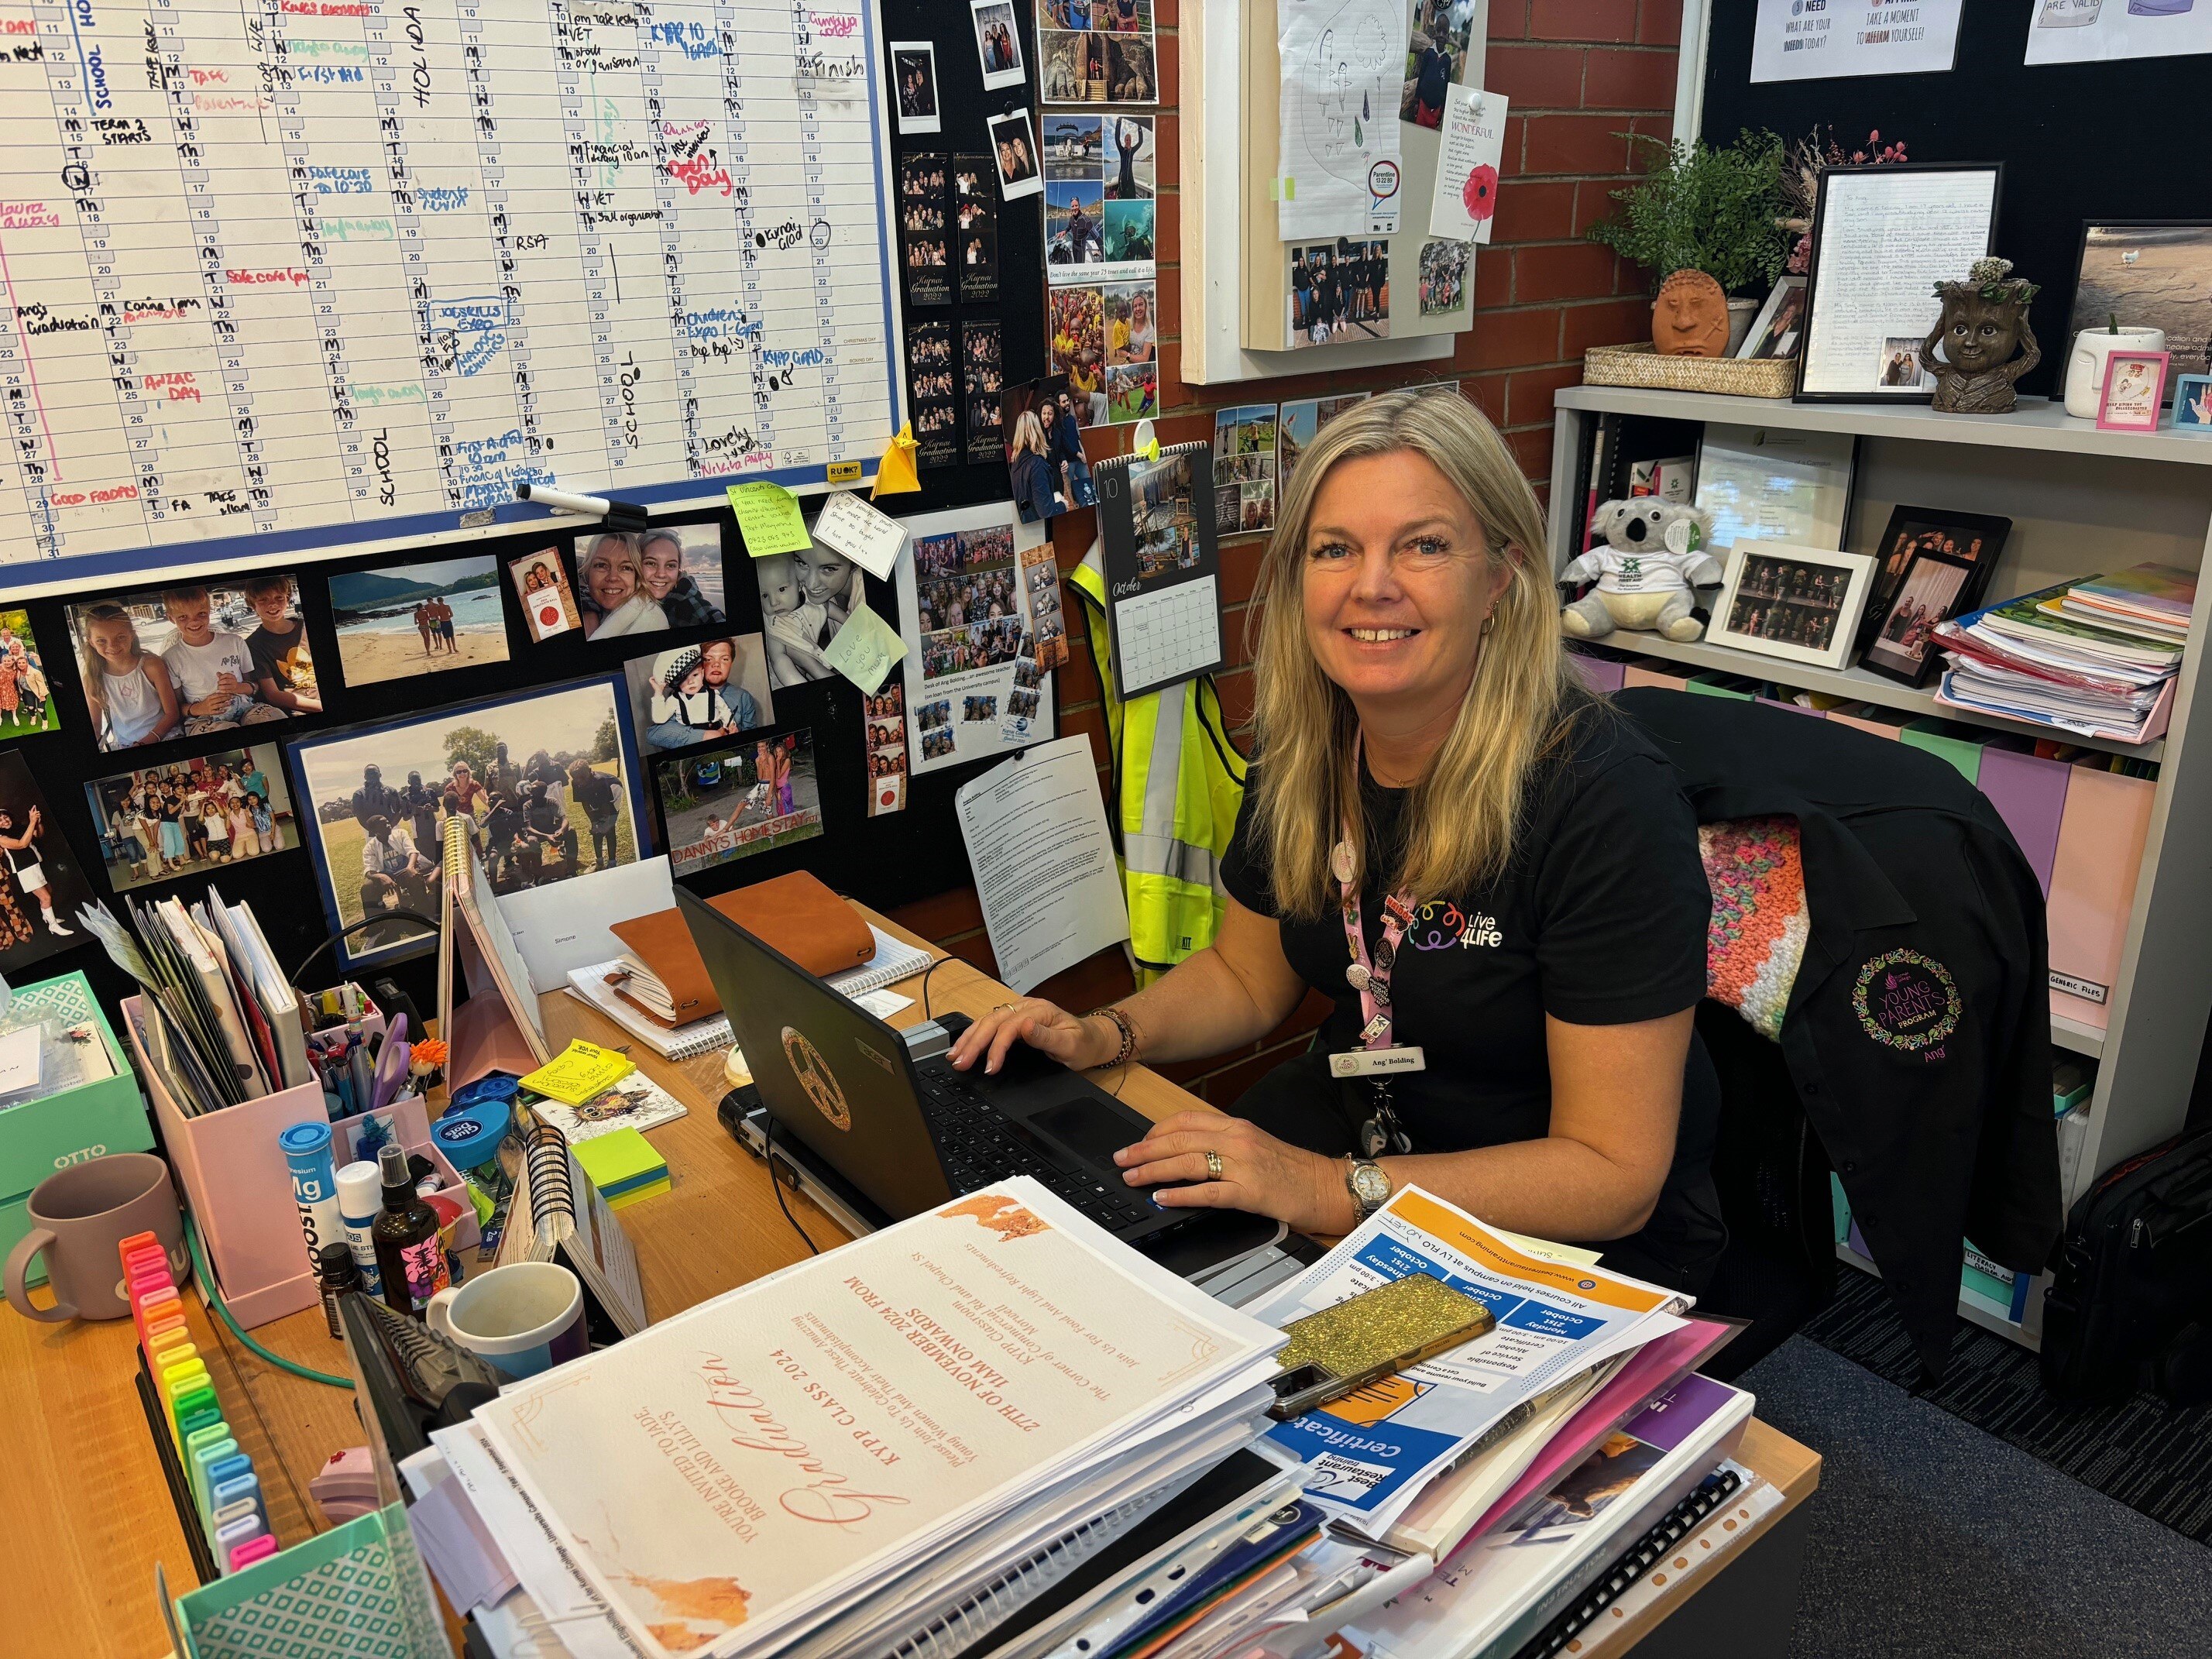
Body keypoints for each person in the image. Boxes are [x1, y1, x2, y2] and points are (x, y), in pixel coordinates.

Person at [946, 392, 1723, 1293]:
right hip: (1355, 1157)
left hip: (1544, 1233)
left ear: (1501, 576)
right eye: (1335, 549)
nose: (1372, 586)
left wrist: (1322, 1186)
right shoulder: (1311, 745)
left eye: (1425, 545)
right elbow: (1246, 976)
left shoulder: (1604, 798)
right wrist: (1103, 1035)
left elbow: (1611, 1175)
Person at [160, 587, 285, 734]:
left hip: (245, 707)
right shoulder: (171, 658)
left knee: (274, 717)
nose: (194, 622)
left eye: (201, 614)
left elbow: (254, 687)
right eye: (183, 617)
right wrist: (200, 708)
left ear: (209, 611)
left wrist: (237, 687)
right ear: (171, 618)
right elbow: (177, 707)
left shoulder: (235, 642)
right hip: (202, 719)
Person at [77, 602, 181, 748]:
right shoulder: (92, 679)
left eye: (120, 637)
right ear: (92, 643)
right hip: (124, 744)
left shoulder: (151, 665)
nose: (112, 646)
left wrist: (144, 742)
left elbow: (172, 714)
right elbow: (95, 724)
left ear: (132, 635)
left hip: (165, 736)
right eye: (102, 641)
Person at [242, 576, 320, 711]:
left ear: (288, 598)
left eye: (279, 598)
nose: (272, 604)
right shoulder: (253, 645)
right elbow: (273, 695)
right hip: (296, 709)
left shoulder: (304, 627)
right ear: (252, 605)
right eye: (263, 599)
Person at [0, 802, 70, 940]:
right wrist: (32, 821)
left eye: (5, 817)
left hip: (36, 865)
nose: (4, 821)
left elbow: (38, 834)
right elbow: (22, 844)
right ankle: (53, 926)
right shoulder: (1, 838)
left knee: (48, 891)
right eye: (0, 821)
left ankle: (48, 917)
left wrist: (37, 822)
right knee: (46, 898)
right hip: (25, 870)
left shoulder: (19, 827)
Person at [579, 534, 669, 637]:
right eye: (601, 565)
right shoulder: (582, 607)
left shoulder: (653, 622)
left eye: (626, 568)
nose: (613, 577)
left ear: (636, 577)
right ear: (587, 573)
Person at [639, 531, 726, 626]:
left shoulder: (685, 604)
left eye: (671, 565)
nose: (661, 574)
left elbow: (709, 616)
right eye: (651, 563)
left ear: (678, 570)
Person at [1008, 408, 1066, 525]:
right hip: (1038, 528)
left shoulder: (1017, 460)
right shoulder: (1036, 465)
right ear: (1036, 430)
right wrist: (1062, 505)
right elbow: (1045, 511)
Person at [568, 758, 623, 872]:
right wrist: (594, 823)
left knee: (609, 829)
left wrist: (605, 823)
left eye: (582, 778)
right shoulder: (576, 783)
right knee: (597, 832)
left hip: (613, 792)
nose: (579, 782)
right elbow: (585, 802)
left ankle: (612, 862)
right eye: (576, 778)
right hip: (597, 796)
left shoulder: (600, 781)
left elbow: (605, 806)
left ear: (590, 771)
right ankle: (600, 863)